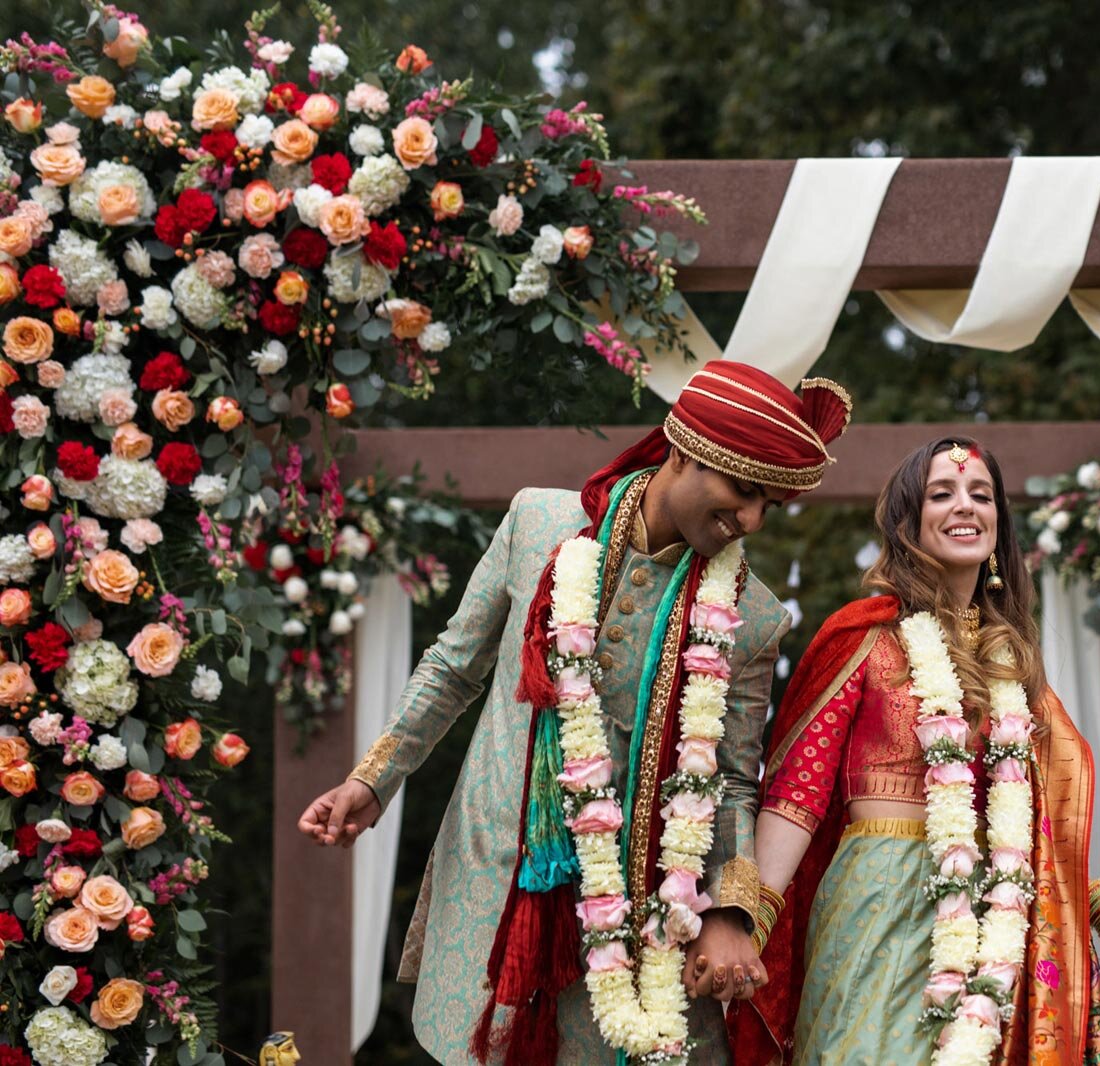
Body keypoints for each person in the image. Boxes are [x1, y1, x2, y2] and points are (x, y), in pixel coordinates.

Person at [297, 363, 852, 1065]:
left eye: (768, 505)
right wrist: (373, 779)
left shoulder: (754, 615)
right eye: (743, 489)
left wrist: (731, 911)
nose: (749, 519)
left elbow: (735, 781)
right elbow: (453, 666)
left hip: (633, 926)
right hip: (495, 888)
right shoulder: (538, 522)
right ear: (680, 449)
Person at [730, 436, 1100, 1066]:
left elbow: (1024, 819)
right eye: (942, 493)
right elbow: (797, 797)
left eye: (980, 494)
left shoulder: (1010, 668)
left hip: (992, 918)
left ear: (998, 525)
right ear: (909, 522)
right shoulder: (864, 636)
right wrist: (744, 923)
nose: (965, 505)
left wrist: (1097, 905)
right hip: (878, 903)